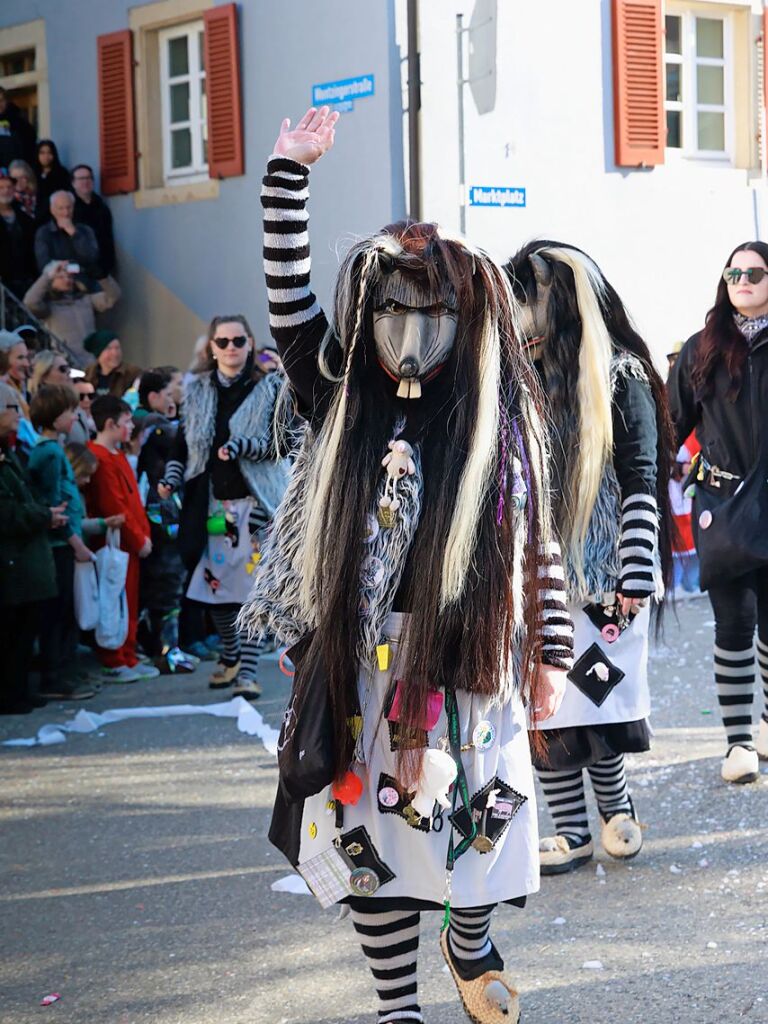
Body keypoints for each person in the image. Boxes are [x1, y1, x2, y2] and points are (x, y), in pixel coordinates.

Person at [240, 107, 572, 1024]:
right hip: (360, 663)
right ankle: (397, 1007)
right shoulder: (338, 394)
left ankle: (468, 937)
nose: (411, 335)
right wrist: (285, 172)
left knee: (478, 832)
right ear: (368, 311)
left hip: (470, 659)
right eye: (393, 311)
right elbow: (286, 301)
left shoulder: (492, 415)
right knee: (369, 842)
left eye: (430, 314)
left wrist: (546, 654)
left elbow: (535, 544)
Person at [504, 242, 673, 876]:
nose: (522, 310)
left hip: (602, 574)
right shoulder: (513, 377)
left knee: (597, 696)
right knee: (544, 703)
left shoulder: (620, 372)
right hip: (532, 573)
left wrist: (634, 571)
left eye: (531, 293)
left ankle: (616, 808)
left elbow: (641, 477)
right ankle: (570, 828)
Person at [668, 241, 768, 783]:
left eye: (754, 272)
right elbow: (671, 426)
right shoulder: (701, 348)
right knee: (734, 623)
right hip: (723, 506)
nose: (743, 279)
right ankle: (738, 745)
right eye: (734, 271)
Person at [159, 314, 289, 703]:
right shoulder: (196, 390)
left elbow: (279, 443)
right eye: (223, 342)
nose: (231, 348)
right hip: (214, 506)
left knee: (250, 590)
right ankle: (231, 654)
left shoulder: (270, 388)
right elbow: (184, 447)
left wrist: (240, 447)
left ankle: (246, 672)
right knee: (214, 588)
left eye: (238, 341)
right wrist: (170, 479)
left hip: (257, 504)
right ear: (211, 348)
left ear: (250, 343)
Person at [27, 384, 96, 701]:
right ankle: (56, 676)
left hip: (63, 544)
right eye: (69, 412)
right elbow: (55, 503)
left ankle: (66, 671)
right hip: (60, 547)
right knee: (59, 615)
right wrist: (76, 543)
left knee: (66, 613)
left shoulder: (52, 449)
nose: (74, 416)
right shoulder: (51, 452)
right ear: (55, 418)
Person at [85, 394, 159, 683]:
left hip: (131, 543)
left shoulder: (116, 455)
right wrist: (138, 538)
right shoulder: (100, 457)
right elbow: (113, 505)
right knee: (115, 601)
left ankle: (127, 653)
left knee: (128, 601)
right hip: (118, 544)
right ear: (110, 424)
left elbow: (131, 503)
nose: (130, 427)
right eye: (126, 422)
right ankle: (114, 658)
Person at [0, 380, 61, 714]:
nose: (17, 414)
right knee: (13, 633)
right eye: (11, 408)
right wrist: (43, 515)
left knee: (24, 631)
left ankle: (19, 690)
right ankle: (11, 693)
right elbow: (8, 511)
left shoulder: (8, 453)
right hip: (13, 561)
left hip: (26, 560)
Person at [134, 373, 196, 673]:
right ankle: (164, 651)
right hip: (160, 513)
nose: (176, 397)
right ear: (154, 396)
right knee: (165, 583)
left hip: (171, 511)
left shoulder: (159, 425)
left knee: (173, 582)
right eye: (173, 390)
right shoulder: (152, 426)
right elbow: (181, 442)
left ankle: (172, 647)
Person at [23, 261, 121, 368]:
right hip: (68, 363)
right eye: (61, 277)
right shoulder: (49, 307)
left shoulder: (85, 300)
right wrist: (47, 276)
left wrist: (103, 278)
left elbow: (113, 297)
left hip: (93, 361)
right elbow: (30, 302)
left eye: (70, 277)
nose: (67, 280)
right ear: (51, 281)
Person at [34, 190, 100, 277]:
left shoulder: (85, 230)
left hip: (86, 282)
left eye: (69, 207)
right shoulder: (44, 233)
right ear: (52, 210)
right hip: (57, 284)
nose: (66, 213)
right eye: (61, 208)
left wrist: (74, 234)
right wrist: (76, 268)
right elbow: (44, 266)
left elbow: (91, 258)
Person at [71, 164, 116, 278]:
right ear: (73, 183)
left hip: (102, 267)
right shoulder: (69, 207)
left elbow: (108, 236)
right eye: (81, 179)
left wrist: (109, 264)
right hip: (78, 269)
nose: (86, 181)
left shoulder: (101, 206)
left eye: (89, 178)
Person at [0, 172, 37, 297]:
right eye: (1, 187)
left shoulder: (24, 217)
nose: (5, 191)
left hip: (24, 282)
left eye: (9, 187)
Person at [81, 330, 140, 397]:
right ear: (99, 354)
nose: (115, 353)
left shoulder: (132, 373)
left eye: (117, 348)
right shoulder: (89, 373)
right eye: (109, 348)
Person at [0, 86, 36, 169]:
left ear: (7, 101)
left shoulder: (19, 121)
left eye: (1, 100)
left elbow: (29, 146)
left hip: (16, 171)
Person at [36, 140, 71, 220]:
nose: (46, 156)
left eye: (49, 153)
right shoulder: (33, 173)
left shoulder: (62, 173)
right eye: (42, 153)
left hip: (55, 215)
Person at [68, 378, 95, 444]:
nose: (86, 400)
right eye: (80, 396)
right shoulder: (66, 423)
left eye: (90, 396)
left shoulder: (104, 418)